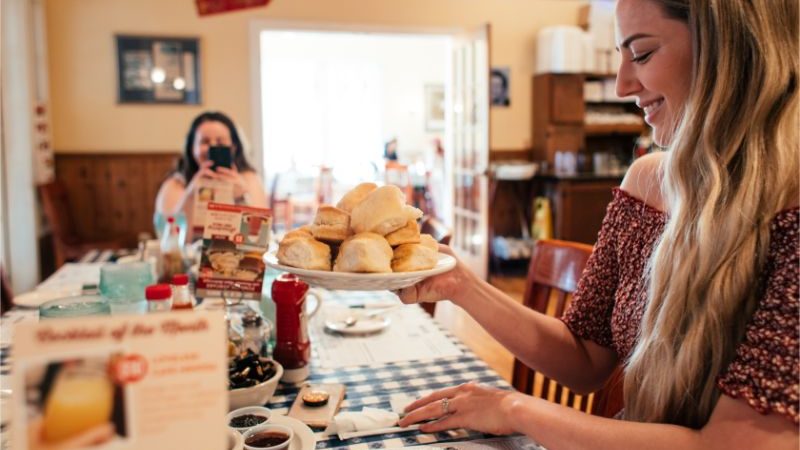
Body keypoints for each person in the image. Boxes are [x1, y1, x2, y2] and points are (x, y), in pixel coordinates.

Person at [397, 0, 799, 448]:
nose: (624, 85)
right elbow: (585, 357)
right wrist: (460, 285)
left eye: (642, 54)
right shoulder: (646, 183)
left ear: (733, 48)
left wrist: (516, 408)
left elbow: (733, 445)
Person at [155, 111, 268, 240]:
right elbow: (171, 240)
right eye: (205, 142)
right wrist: (191, 194)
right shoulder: (176, 184)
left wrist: (242, 198)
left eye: (220, 143)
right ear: (192, 148)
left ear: (234, 147)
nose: (212, 147)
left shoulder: (249, 179)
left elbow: (261, 237)